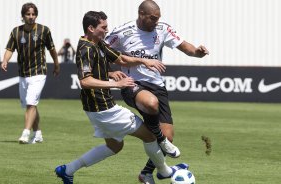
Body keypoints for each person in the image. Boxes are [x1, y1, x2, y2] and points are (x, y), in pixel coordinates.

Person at [55, 11, 188, 184]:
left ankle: (68, 170)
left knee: (114, 146)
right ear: (91, 28)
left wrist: (143, 62)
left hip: (97, 109)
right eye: (103, 27)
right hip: (104, 109)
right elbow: (85, 81)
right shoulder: (86, 49)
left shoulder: (98, 43)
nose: (107, 30)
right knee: (150, 135)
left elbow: (122, 59)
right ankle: (164, 171)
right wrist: (116, 84)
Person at [105, 0, 209, 183]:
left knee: (169, 136)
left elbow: (185, 47)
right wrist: (111, 72)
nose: (156, 22)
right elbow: (100, 52)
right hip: (132, 83)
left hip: (157, 85)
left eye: (158, 18)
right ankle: (160, 141)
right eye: (153, 18)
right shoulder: (122, 32)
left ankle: (147, 172)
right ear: (141, 14)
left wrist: (197, 52)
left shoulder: (162, 29)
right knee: (151, 105)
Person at [0, 2, 60, 144]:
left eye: (33, 14)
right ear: (23, 16)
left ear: (36, 15)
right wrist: (5, 60)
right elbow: (10, 49)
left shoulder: (44, 30)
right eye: (28, 14)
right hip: (23, 74)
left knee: (30, 103)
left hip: (39, 72)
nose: (31, 17)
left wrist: (56, 64)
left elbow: (52, 48)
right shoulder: (16, 31)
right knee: (30, 104)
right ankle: (38, 133)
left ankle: (25, 133)